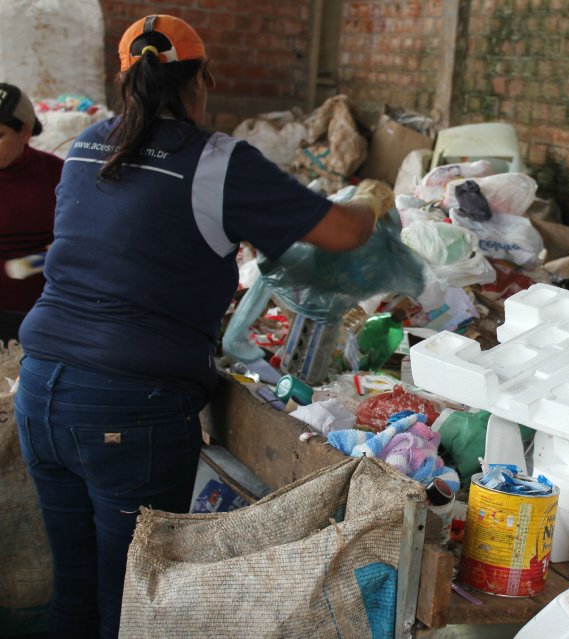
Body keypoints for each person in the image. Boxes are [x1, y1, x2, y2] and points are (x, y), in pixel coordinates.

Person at [14, 15, 394, 639]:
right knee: (128, 601)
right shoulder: (218, 162)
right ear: (204, 82)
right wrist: (370, 201)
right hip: (128, 411)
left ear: (124, 79)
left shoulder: (85, 145)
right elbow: (343, 231)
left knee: (74, 593)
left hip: (42, 394)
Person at [0, 82, 63, 342]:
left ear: (25, 132)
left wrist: (39, 260)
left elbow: (81, 240)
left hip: (42, 317)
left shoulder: (57, 174)